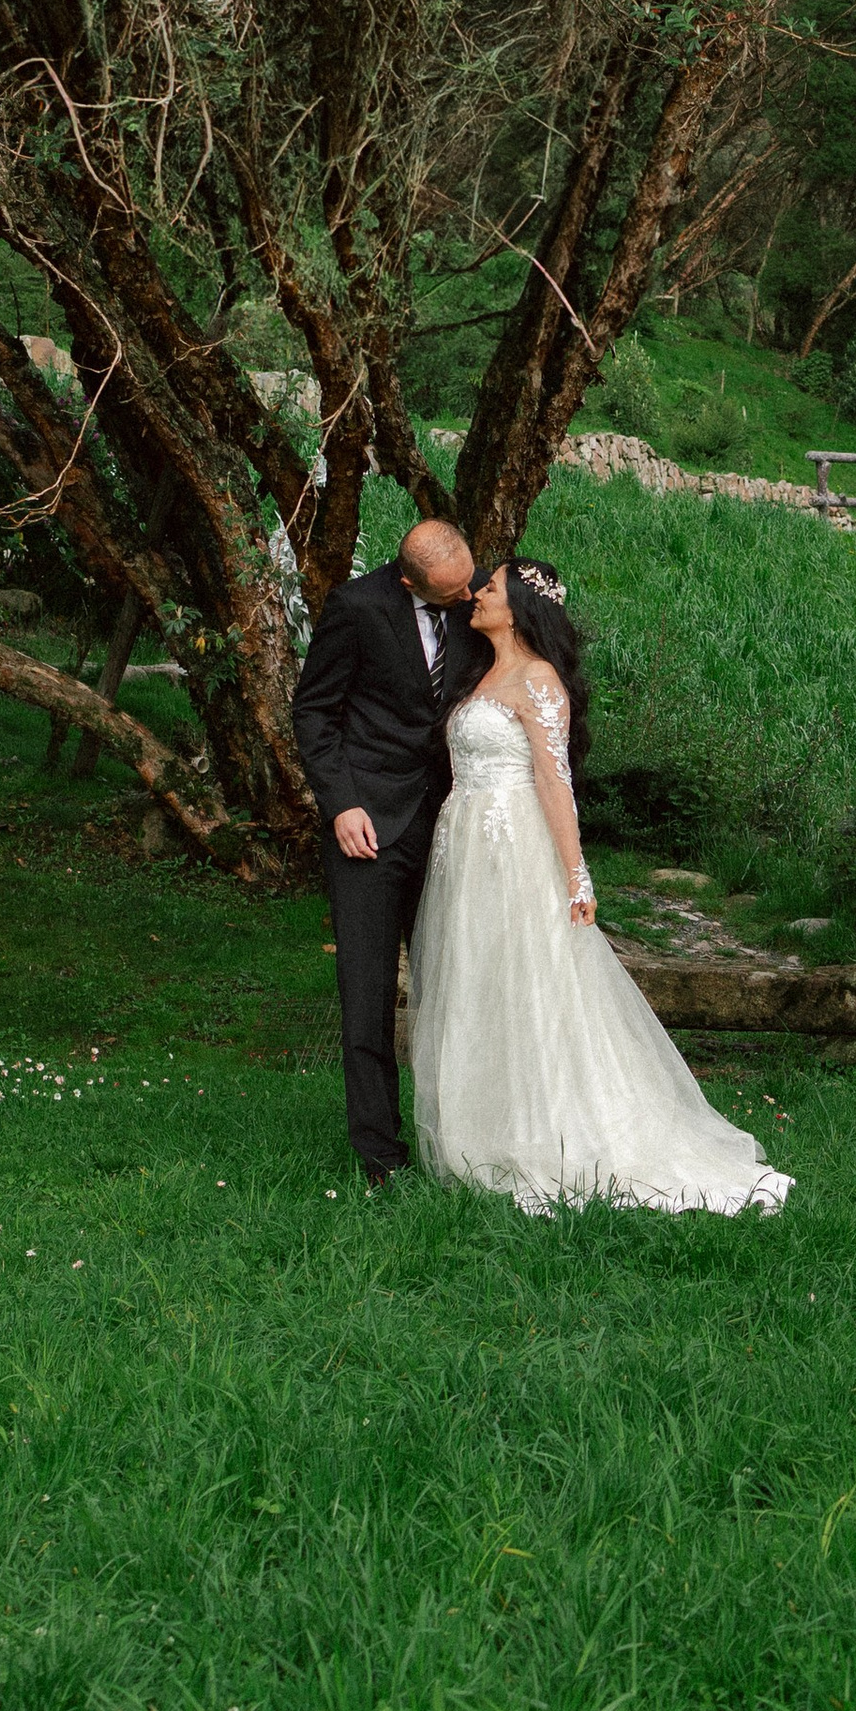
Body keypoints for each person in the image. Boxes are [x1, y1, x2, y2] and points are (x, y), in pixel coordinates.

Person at [407, 558, 791, 1217]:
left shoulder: (539, 679)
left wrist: (575, 873)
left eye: (491, 588)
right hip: (464, 847)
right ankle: (485, 1128)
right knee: (478, 978)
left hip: (513, 847)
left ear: (521, 605)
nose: (476, 595)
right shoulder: (481, 674)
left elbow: (554, 782)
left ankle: (554, 1130)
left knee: (531, 982)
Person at [289, 516, 480, 1182]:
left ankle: (457, 1140)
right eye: (449, 595)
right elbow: (313, 711)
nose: (465, 600)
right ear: (407, 581)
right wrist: (340, 803)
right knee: (367, 995)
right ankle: (380, 1156)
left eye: (468, 586)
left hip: (453, 825)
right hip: (366, 828)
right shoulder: (358, 608)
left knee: (457, 986)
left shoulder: (476, 597)